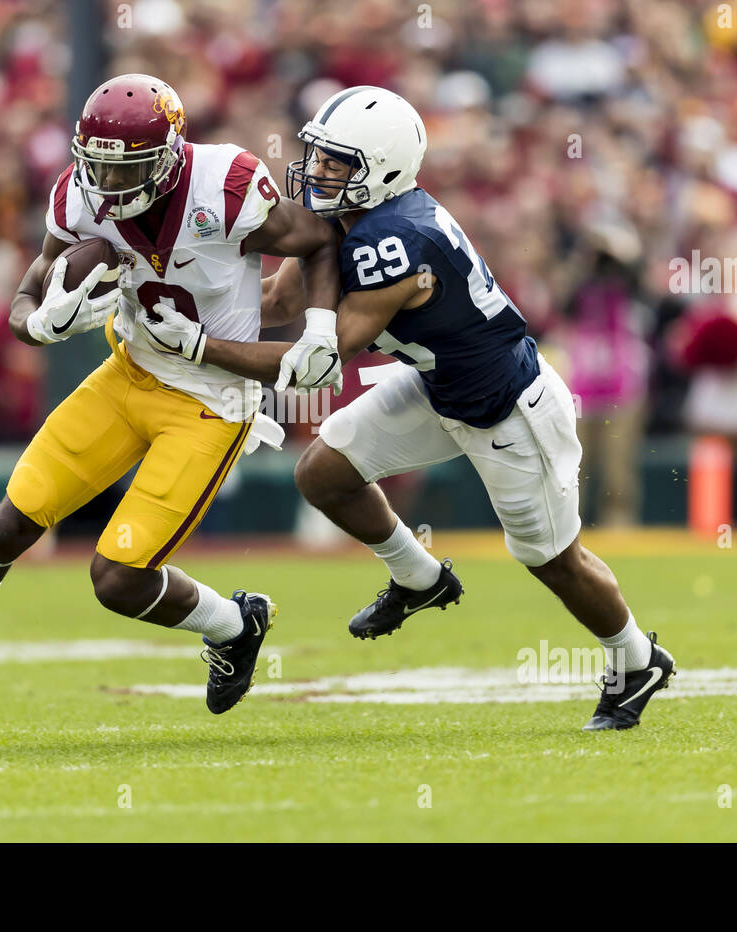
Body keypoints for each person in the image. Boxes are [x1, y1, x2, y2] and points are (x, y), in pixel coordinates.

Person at [143, 86, 675, 730]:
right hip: (436, 383)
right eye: (317, 156)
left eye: (337, 163)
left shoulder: (395, 240)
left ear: (384, 169)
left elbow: (320, 356)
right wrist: (170, 300)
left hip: (507, 407)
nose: (316, 173)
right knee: (323, 473)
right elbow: (282, 305)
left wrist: (198, 345)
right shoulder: (348, 220)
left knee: (550, 560)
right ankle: (419, 578)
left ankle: (636, 658)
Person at [0, 74, 343, 722]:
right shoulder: (80, 196)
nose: (110, 185)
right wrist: (34, 324)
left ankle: (235, 625)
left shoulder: (227, 186)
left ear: (171, 157)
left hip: (209, 401)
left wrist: (319, 330)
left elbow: (318, 239)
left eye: (127, 170)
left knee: (118, 578)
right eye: (98, 166)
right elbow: (36, 278)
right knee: (11, 521)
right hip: (127, 376)